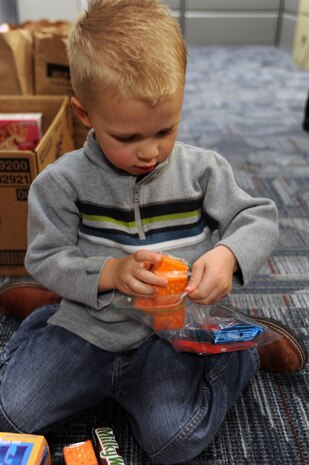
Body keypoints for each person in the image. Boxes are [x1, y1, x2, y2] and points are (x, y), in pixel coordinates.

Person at [0, 1, 307, 463]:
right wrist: (108, 272)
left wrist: (227, 256)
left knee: (174, 441)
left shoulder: (202, 169)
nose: (150, 152)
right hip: (90, 327)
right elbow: (45, 257)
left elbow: (259, 216)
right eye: (127, 137)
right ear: (84, 114)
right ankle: (46, 312)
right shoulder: (61, 182)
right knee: (12, 415)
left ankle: (241, 353)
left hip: (173, 336)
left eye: (166, 129)